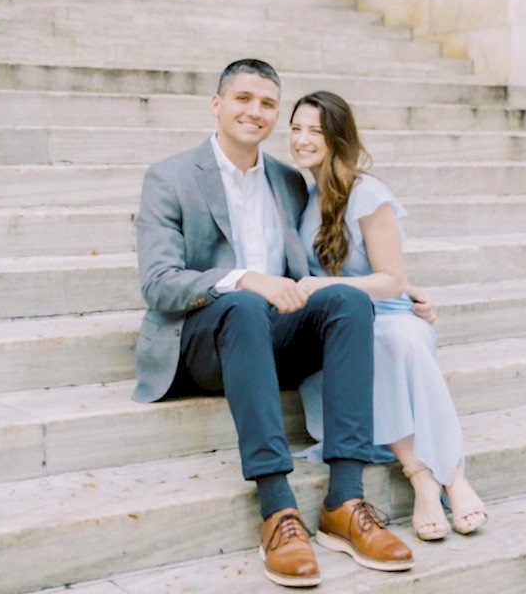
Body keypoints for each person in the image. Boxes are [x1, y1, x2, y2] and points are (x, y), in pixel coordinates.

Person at [133, 59, 414, 588]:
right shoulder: (170, 176)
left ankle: (345, 499)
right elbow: (159, 282)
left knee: (347, 302)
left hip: (272, 336)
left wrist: (396, 284)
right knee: (241, 305)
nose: (254, 112)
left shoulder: (288, 180)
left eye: (266, 104)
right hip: (202, 340)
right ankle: (278, 509)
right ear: (216, 105)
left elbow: (318, 267)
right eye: (242, 99)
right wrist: (243, 278)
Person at [290, 90, 488, 541]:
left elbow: (391, 282)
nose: (302, 140)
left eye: (315, 131)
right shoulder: (302, 194)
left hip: (391, 315)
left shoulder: (368, 193)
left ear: (337, 138)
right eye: (296, 128)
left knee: (393, 340)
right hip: (341, 323)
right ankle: (424, 478)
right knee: (363, 342)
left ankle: (451, 480)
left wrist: (324, 286)